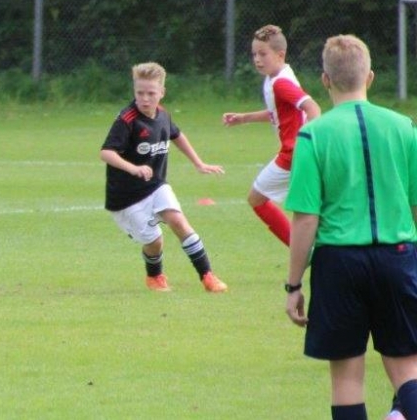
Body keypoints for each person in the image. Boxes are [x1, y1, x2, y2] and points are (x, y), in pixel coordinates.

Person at [284, 34, 417, 420]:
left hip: (339, 263)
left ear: (325, 80)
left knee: (346, 379)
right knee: (407, 370)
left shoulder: (313, 134)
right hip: (397, 257)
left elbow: (306, 219)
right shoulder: (404, 128)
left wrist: (293, 285)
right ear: (370, 77)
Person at [100, 62, 228, 293]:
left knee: (179, 222)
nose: (145, 99)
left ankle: (208, 276)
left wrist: (199, 163)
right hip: (126, 198)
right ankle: (154, 276)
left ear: (162, 92)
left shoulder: (163, 115)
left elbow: (176, 135)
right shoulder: (127, 119)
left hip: (156, 185)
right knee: (154, 241)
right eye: (140, 93)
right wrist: (133, 168)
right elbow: (106, 152)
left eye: (151, 93)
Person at [223, 25, 321, 247]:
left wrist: (306, 143)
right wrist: (244, 118)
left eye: (263, 54)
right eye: (254, 54)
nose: (257, 59)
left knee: (257, 199)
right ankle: (309, 249)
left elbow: (313, 108)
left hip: (293, 155)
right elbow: (278, 113)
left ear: (280, 54)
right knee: (311, 207)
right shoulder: (276, 77)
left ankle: (302, 249)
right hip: (297, 154)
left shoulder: (281, 83)